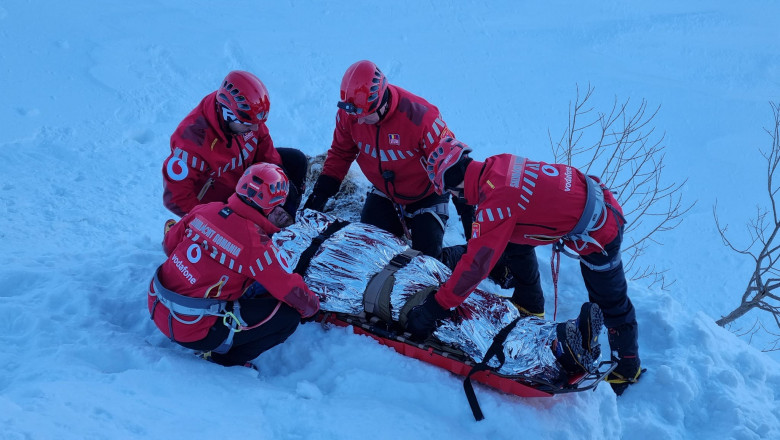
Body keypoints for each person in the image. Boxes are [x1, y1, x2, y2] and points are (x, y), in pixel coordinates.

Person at [406, 137, 642, 395]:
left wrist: (436, 306)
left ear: (454, 186)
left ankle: (625, 370)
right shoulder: (499, 163)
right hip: (595, 198)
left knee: (610, 299)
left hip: (600, 231)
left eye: (449, 192)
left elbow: (475, 267)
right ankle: (531, 305)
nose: (452, 197)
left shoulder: (495, 206)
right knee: (512, 240)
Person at [274, 209, 604, 381]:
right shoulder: (276, 256)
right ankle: (552, 355)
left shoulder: (318, 221)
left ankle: (561, 335)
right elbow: (310, 295)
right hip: (387, 289)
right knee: (460, 322)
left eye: (279, 207)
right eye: (271, 212)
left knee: (483, 303)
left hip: (408, 265)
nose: (279, 216)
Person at [148, 163, 320, 368]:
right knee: (287, 318)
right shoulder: (256, 244)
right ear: (273, 205)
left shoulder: (205, 210)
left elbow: (170, 246)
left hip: (157, 302)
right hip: (191, 327)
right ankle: (221, 359)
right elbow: (290, 289)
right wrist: (312, 308)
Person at [303, 60, 473, 258]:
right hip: (385, 192)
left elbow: (454, 166)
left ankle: (465, 254)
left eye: (366, 115)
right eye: (355, 114)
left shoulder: (421, 118)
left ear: (381, 103)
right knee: (368, 251)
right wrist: (319, 196)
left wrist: (470, 221)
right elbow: (341, 153)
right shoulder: (350, 114)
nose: (359, 120)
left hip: (427, 195)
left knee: (426, 261)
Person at [162, 70, 308, 226]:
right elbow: (176, 197)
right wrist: (212, 220)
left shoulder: (246, 116)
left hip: (248, 183)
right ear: (227, 114)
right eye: (248, 124)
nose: (254, 128)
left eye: (256, 124)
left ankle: (287, 224)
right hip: (224, 205)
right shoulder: (191, 143)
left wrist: (279, 177)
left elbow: (263, 143)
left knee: (295, 161)